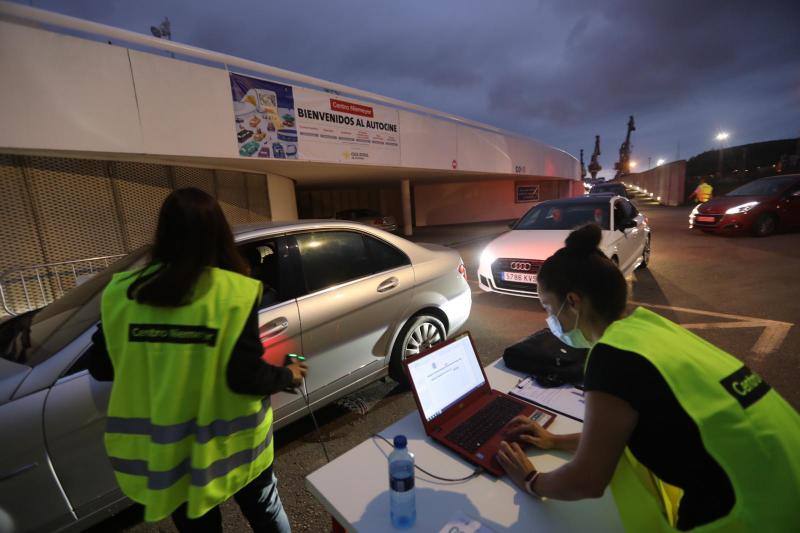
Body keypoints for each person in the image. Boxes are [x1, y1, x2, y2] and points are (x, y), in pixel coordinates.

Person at [495, 224, 800, 531]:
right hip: (785, 471)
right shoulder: (649, 327)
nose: (549, 319)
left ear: (573, 302)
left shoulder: (611, 357)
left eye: (548, 306)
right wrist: (553, 441)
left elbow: (587, 481)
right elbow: (619, 433)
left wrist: (532, 481)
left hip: (762, 511)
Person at [87, 187, 308, 532]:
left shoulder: (123, 292)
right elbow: (245, 377)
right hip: (235, 446)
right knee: (264, 510)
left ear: (163, 234)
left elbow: (101, 367)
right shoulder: (234, 291)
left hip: (171, 455)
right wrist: (289, 374)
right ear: (219, 234)